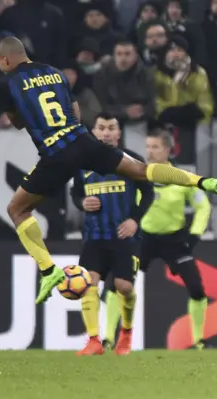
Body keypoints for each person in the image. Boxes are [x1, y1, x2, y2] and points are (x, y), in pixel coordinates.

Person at [0, 36, 217, 305]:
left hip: (55, 152)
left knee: (18, 209)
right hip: (82, 140)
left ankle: (48, 271)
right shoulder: (54, 73)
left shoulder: (6, 82)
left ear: (5, 59)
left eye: (0, 64)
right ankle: (203, 181)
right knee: (141, 170)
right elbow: (75, 110)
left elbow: (16, 123)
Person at [70, 113, 154, 356]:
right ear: (93, 132)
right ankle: (94, 341)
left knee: (124, 286)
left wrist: (134, 220)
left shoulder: (131, 161)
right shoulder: (83, 163)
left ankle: (126, 333)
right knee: (88, 285)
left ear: (119, 133)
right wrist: (82, 202)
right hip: (94, 236)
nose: (106, 132)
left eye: (111, 128)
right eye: (101, 128)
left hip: (123, 236)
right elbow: (76, 194)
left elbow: (148, 193)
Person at [131, 129, 211, 350]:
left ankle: (199, 341)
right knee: (117, 285)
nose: (150, 151)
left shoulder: (182, 178)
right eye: (148, 146)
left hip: (174, 242)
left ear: (167, 150)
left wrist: (195, 235)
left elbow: (202, 205)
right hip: (144, 239)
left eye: (155, 147)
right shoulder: (138, 175)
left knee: (196, 288)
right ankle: (108, 338)